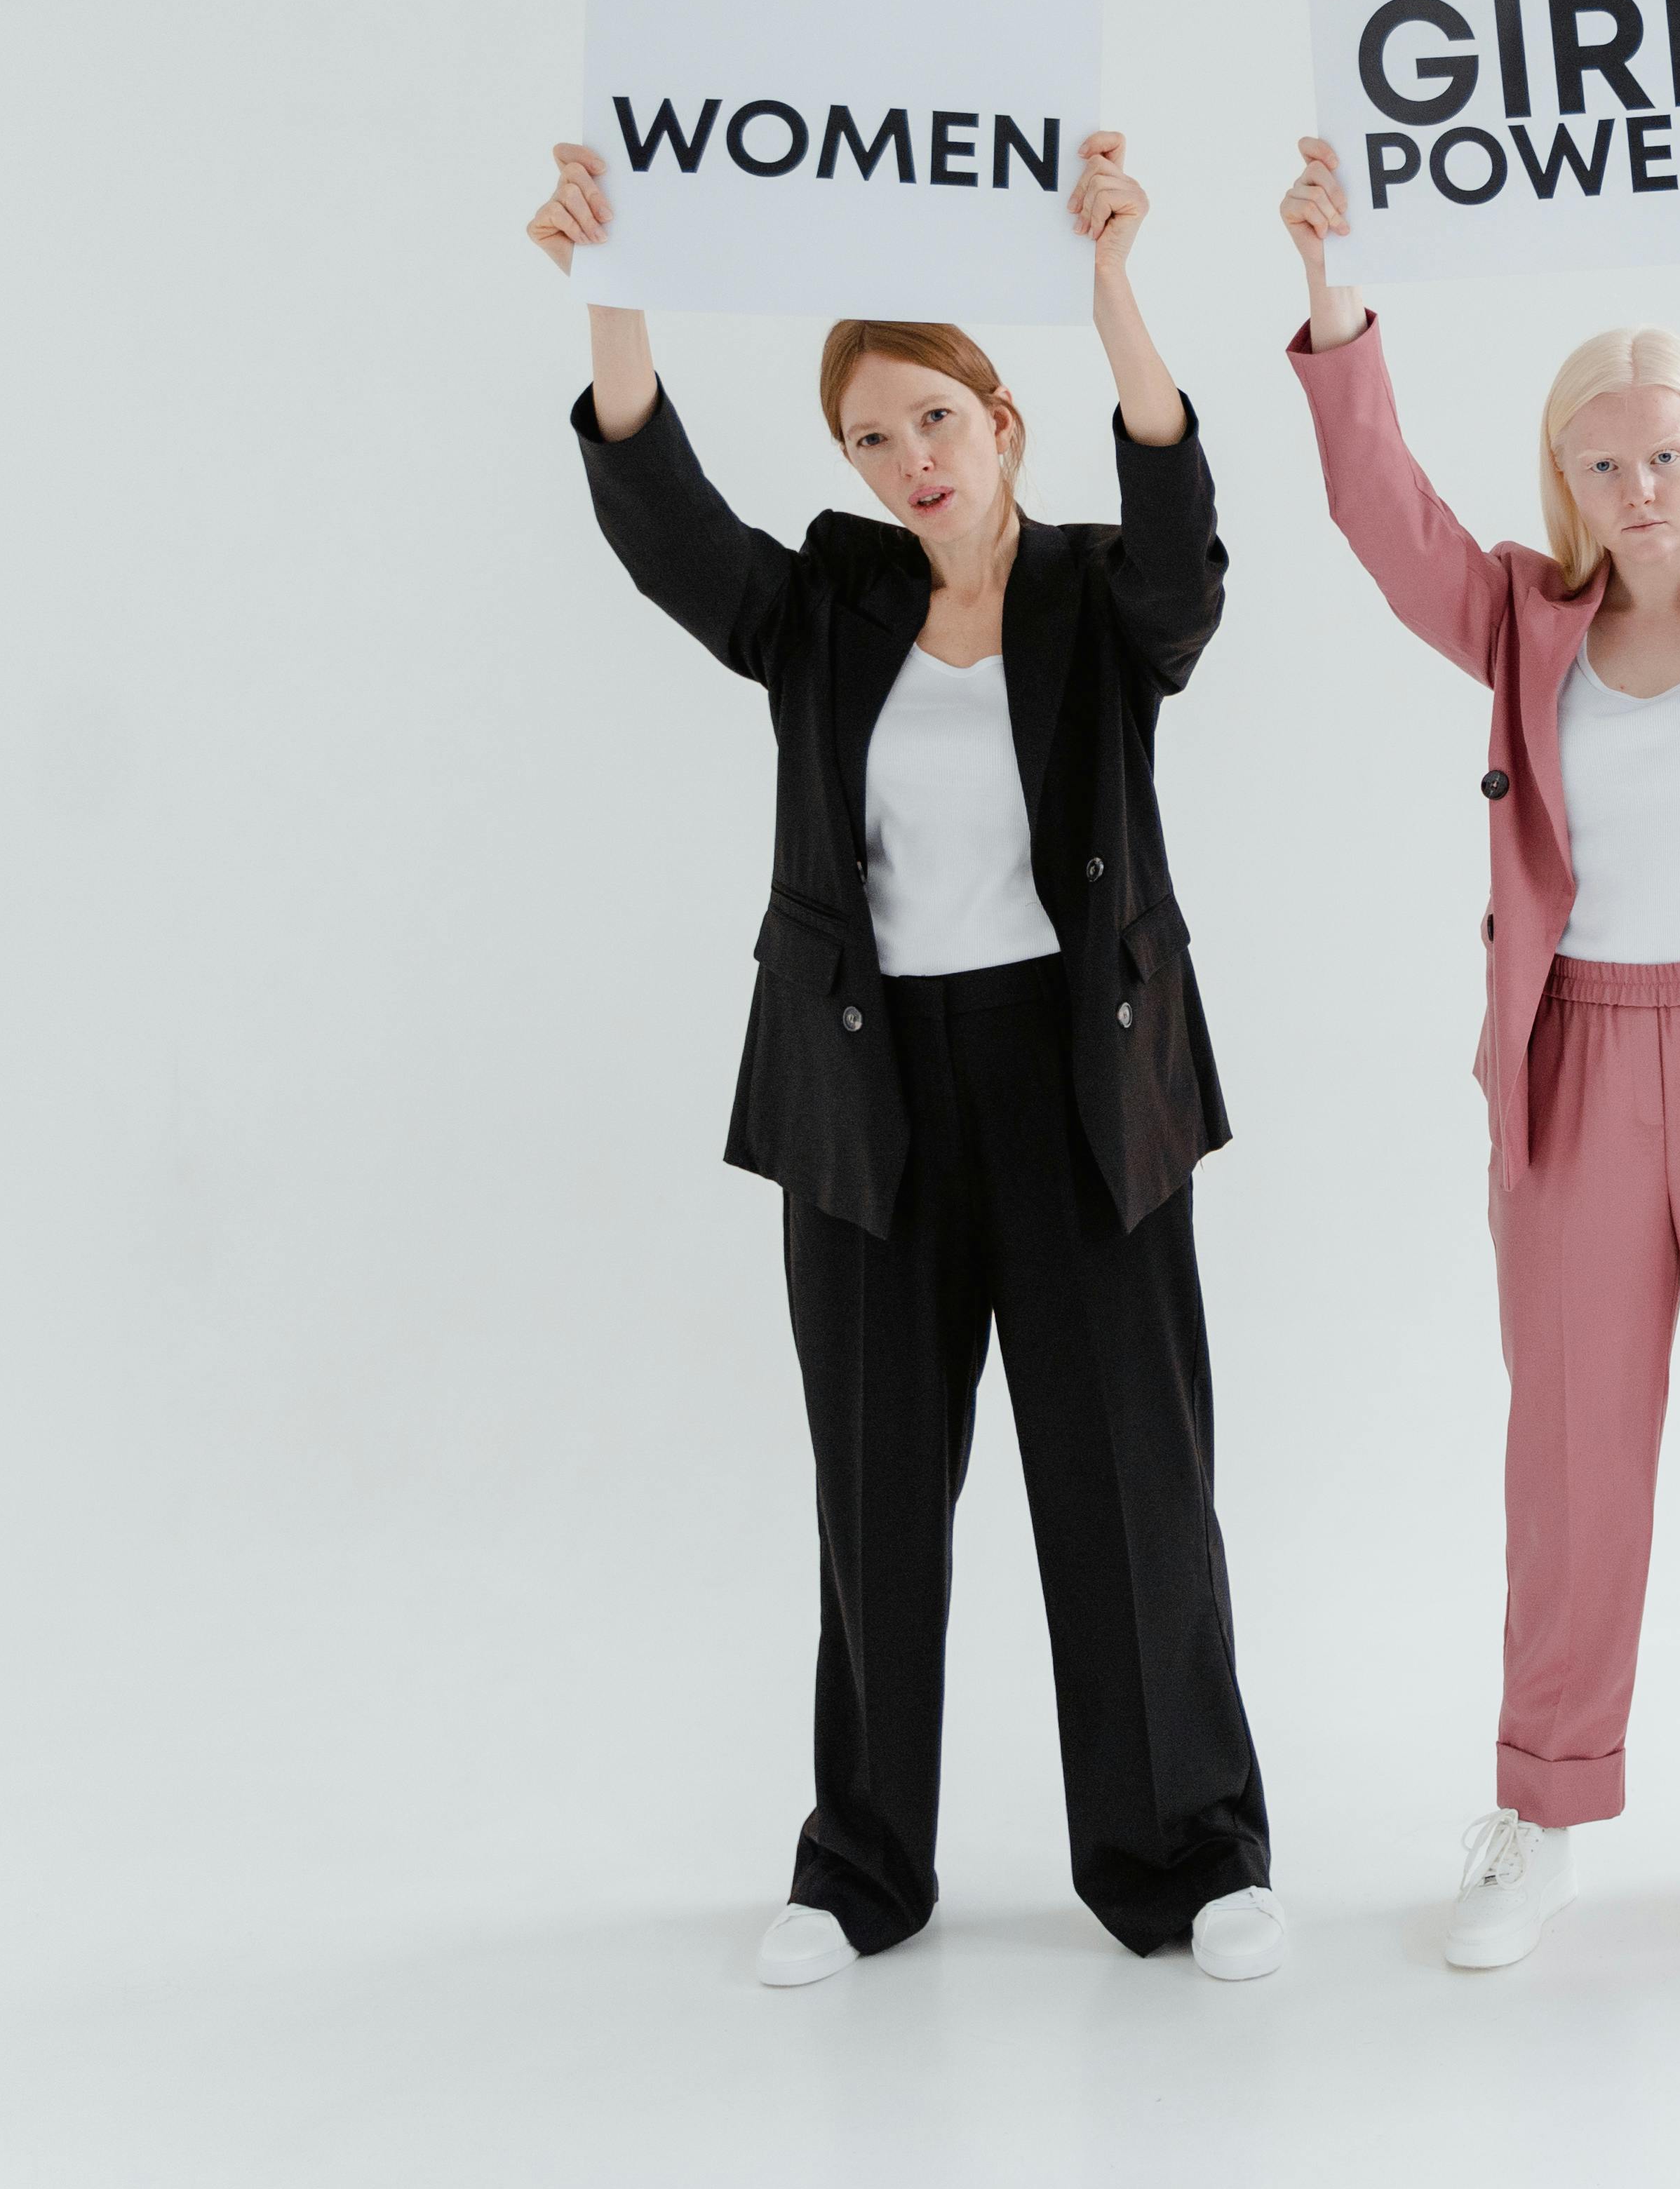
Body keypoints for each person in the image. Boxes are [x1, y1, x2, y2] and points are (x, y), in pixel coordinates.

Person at [523, 134, 1284, 1988]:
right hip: (869, 1092)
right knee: (875, 1488)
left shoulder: (1103, 600)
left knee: (1129, 1478)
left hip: (1079, 1082)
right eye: (869, 438)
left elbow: (1190, 557)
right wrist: (611, 282)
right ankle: (861, 1866)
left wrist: (1114, 284)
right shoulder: (833, 608)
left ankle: (1184, 1858)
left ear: (1004, 416)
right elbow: (671, 536)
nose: (906, 460)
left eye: (933, 418)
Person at [1279, 115, 1680, 1967]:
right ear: (1564, 478)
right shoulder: (1514, 618)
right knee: (1573, 1459)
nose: (1643, 481)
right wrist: (1335, 298)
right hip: (1577, 1066)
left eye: (1671, 449)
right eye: (1606, 458)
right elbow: (1378, 511)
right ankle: (1544, 1805)